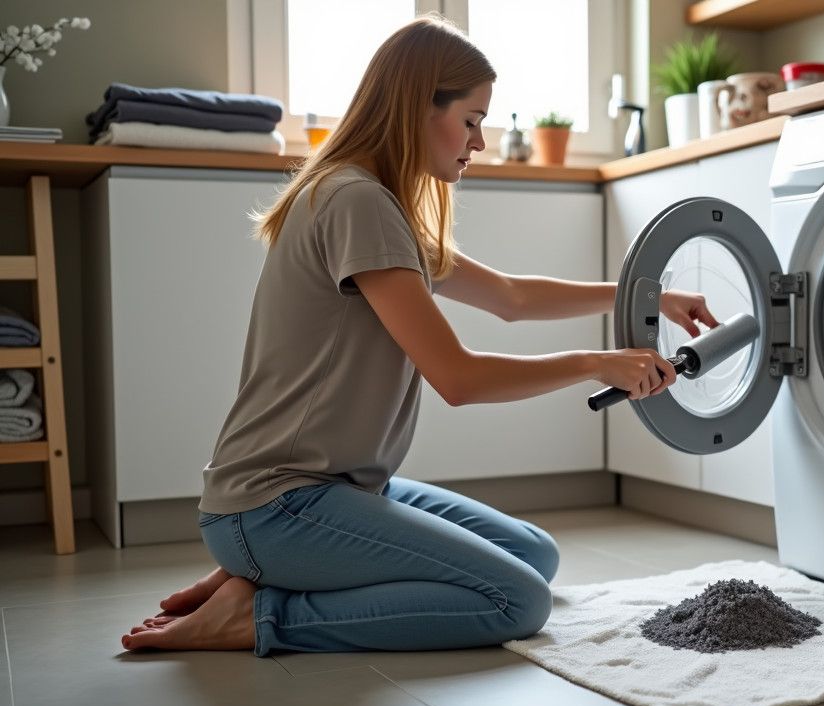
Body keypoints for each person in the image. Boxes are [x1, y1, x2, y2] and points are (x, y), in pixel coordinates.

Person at [120, 15, 718, 655]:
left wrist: (650, 296)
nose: (480, 142)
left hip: (330, 491)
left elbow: (511, 298)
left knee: (533, 555)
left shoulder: (378, 206)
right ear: (415, 108)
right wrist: (598, 363)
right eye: (471, 120)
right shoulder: (357, 202)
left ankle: (260, 576)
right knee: (516, 599)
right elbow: (458, 379)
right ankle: (262, 614)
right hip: (277, 502)